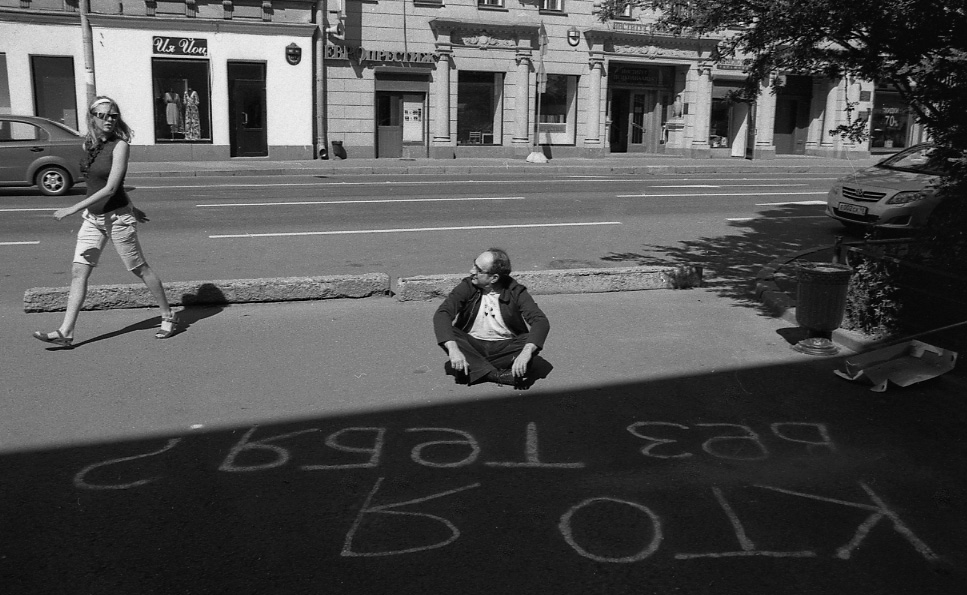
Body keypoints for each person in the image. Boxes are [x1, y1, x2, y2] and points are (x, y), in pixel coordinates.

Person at [32, 96, 177, 348]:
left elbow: (111, 187)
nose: (109, 120)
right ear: (92, 117)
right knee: (79, 271)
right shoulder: (89, 145)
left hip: (117, 219)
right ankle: (66, 331)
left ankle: (168, 315)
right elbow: (98, 183)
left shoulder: (120, 146)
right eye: (103, 115)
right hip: (93, 219)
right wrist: (133, 205)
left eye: (113, 115)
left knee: (138, 268)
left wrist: (73, 208)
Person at [433, 248, 550, 387]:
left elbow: (540, 321)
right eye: (473, 265)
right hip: (472, 345)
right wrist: (453, 350)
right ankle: (496, 375)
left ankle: (474, 369)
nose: (472, 271)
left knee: (529, 340)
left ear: (494, 278)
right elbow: (443, 313)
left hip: (505, 347)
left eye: (478, 269)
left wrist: (526, 352)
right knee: (450, 333)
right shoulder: (467, 286)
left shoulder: (516, 292)